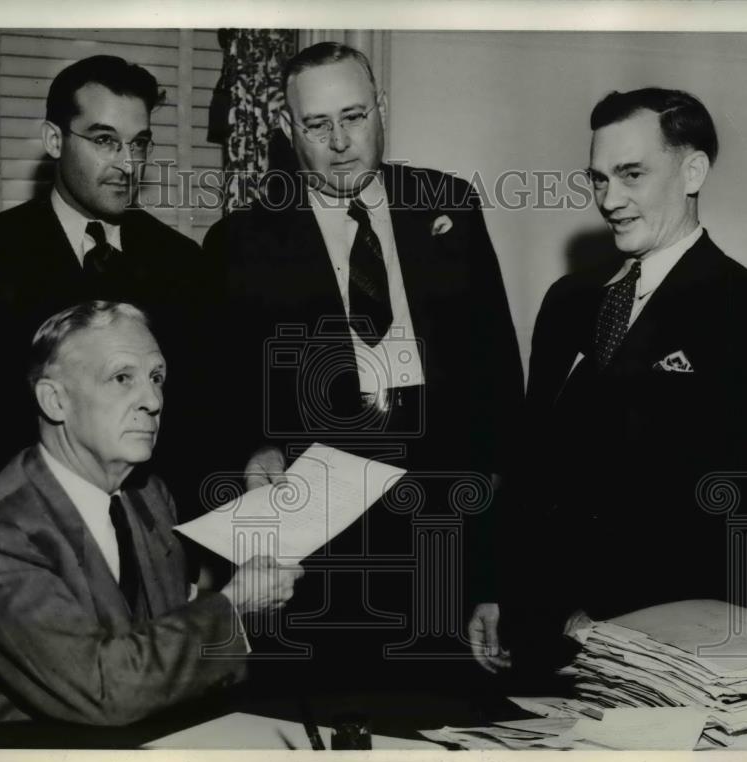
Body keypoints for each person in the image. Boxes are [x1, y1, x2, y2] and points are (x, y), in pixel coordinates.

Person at [204, 42, 524, 690]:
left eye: (353, 116)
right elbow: (212, 404)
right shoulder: (242, 244)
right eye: (317, 125)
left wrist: (495, 579)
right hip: (316, 576)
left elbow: (499, 406)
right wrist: (250, 448)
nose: (340, 141)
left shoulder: (450, 209)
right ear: (288, 131)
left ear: (381, 110)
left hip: (442, 553)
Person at [469, 88, 747, 676]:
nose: (610, 200)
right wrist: (496, 589)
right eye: (598, 179)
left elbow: (736, 503)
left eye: (631, 175)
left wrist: (606, 620)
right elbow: (528, 464)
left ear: (692, 170)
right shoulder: (568, 300)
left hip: (663, 642)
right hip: (542, 634)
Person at [0, 301, 303, 732]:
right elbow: (105, 689)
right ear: (55, 400)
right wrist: (234, 606)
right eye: (123, 378)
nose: (153, 400)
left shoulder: (149, 497)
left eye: (157, 378)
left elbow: (159, 643)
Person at [0, 55, 221, 512]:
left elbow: (207, 415)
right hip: (27, 522)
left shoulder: (181, 262)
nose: (127, 164)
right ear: (54, 140)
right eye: (104, 140)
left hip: (154, 525)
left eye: (138, 144)